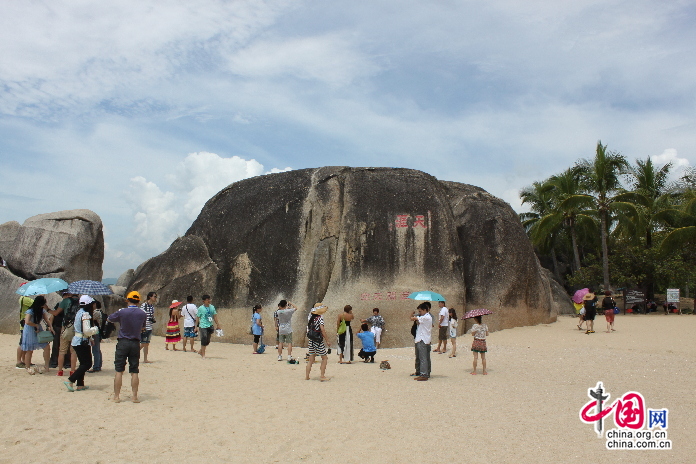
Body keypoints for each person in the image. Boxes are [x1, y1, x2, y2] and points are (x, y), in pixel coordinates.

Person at [108, 291, 147, 403]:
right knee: (134, 370)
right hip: (135, 342)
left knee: (119, 370)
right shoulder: (142, 313)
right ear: (138, 301)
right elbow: (143, 327)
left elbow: (110, 318)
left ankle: (117, 396)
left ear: (128, 300)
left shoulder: (122, 312)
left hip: (123, 341)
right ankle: (134, 396)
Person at [64, 295, 99, 392]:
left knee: (83, 363)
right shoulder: (86, 315)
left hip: (77, 340)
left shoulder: (79, 312)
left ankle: (80, 384)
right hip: (82, 342)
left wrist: (90, 338)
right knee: (87, 364)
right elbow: (87, 330)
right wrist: (95, 329)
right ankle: (70, 380)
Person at [21, 295, 53, 375]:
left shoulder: (41, 311)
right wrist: (35, 325)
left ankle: (46, 365)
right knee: (29, 350)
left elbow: (46, 319)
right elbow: (27, 321)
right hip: (30, 330)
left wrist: (51, 327)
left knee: (46, 346)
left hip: (37, 329)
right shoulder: (30, 311)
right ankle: (27, 367)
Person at [56, 293, 79, 377]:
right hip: (76, 328)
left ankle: (60, 371)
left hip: (66, 326)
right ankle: (72, 371)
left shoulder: (65, 301)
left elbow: (56, 313)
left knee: (62, 351)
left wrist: (47, 309)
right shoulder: (81, 301)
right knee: (73, 351)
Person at [305, 303, 330, 382]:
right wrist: (327, 340)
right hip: (318, 340)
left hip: (311, 340)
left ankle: (307, 376)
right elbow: (322, 330)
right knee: (324, 358)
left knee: (311, 358)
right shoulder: (320, 318)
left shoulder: (310, 317)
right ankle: (322, 376)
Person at [48, 290, 71, 368]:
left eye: (68, 295)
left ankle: (67, 363)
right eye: (65, 295)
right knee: (56, 345)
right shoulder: (59, 304)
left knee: (67, 346)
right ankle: (54, 362)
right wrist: (50, 326)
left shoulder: (71, 305)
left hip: (66, 327)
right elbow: (53, 316)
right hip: (57, 327)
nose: (67, 296)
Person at [410, 302, 432, 381]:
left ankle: (424, 374)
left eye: (420, 311)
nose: (419, 313)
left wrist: (412, 314)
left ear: (425, 310)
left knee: (423, 358)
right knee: (424, 357)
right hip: (423, 339)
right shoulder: (425, 317)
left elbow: (413, 318)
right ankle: (425, 372)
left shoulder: (427, 317)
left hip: (423, 339)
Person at [194, 294, 220, 359]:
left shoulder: (212, 307)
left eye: (209, 299)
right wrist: (196, 327)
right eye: (207, 299)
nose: (209, 300)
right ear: (204, 301)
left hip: (210, 325)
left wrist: (218, 324)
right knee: (204, 338)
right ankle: (203, 355)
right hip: (203, 325)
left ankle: (201, 350)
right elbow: (197, 317)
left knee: (207, 341)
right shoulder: (200, 308)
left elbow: (215, 316)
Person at [16, 293, 34, 369]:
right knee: (22, 343)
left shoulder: (22, 298)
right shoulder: (25, 299)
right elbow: (35, 303)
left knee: (25, 343)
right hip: (25, 325)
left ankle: (25, 360)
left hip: (25, 324)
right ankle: (19, 361)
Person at [139, 292, 157, 363]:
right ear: (150, 297)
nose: (155, 298)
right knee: (143, 343)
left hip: (150, 326)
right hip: (144, 327)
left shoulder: (152, 306)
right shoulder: (144, 305)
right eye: (154, 296)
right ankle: (133, 354)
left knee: (147, 344)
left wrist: (153, 318)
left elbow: (152, 315)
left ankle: (145, 359)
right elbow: (140, 316)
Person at [87, 300, 104, 373]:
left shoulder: (96, 312)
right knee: (97, 349)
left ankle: (96, 366)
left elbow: (89, 318)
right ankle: (98, 365)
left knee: (95, 349)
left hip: (95, 332)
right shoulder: (98, 312)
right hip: (96, 332)